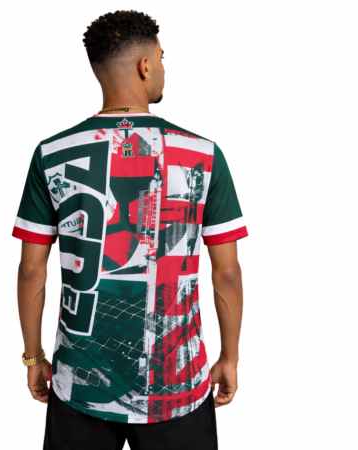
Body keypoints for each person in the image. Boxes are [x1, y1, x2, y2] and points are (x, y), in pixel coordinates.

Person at [13, 10, 248, 450]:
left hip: (79, 383)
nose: (163, 68)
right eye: (161, 58)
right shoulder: (203, 154)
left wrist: (33, 357)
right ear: (144, 66)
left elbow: (31, 270)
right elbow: (228, 273)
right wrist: (229, 358)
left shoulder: (51, 153)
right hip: (176, 384)